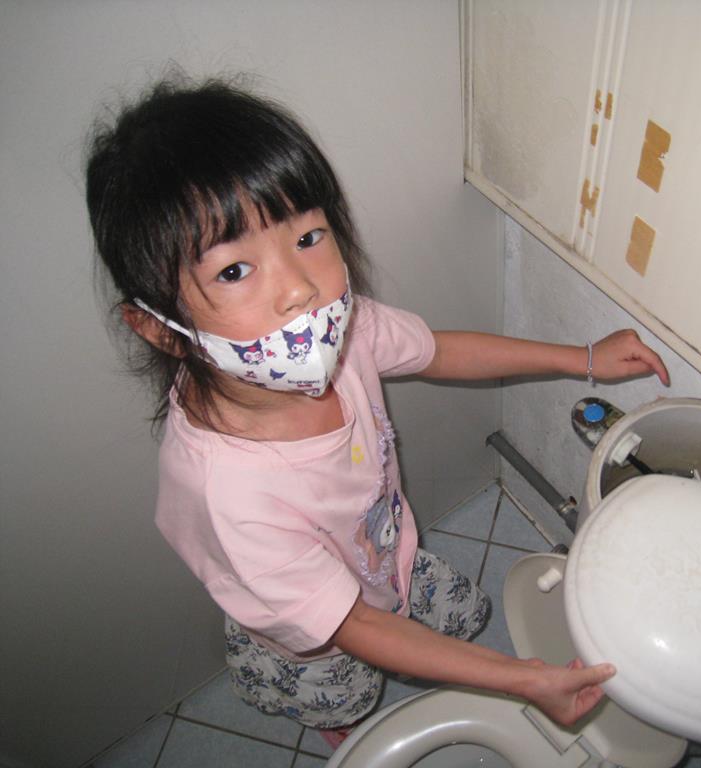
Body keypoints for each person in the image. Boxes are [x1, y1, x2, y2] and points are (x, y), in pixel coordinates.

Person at [85, 75, 670, 746]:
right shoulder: (225, 492)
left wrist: (584, 357)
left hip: (387, 559)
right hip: (317, 642)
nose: (300, 290)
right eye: (234, 270)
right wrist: (522, 679)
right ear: (157, 328)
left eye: (308, 236)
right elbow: (353, 626)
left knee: (452, 613)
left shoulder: (339, 333)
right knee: (350, 695)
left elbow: (439, 351)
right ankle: (339, 723)